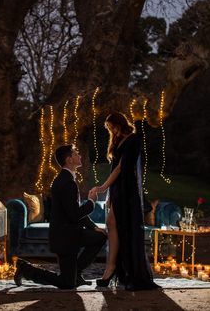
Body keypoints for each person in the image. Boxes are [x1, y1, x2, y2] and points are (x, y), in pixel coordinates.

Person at [14, 144, 107, 289]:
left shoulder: (68, 180)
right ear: (69, 160)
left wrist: (94, 227)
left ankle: (76, 273)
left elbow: (73, 212)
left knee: (100, 236)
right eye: (76, 153)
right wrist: (91, 202)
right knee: (67, 283)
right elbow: (74, 214)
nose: (80, 156)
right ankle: (26, 269)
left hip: (72, 234)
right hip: (65, 238)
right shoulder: (66, 182)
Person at [91, 112, 159, 291]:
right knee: (112, 224)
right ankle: (111, 268)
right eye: (109, 129)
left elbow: (122, 167)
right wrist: (109, 194)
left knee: (118, 226)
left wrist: (104, 187)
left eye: (112, 126)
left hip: (127, 191)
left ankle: (114, 269)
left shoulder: (133, 139)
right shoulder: (117, 140)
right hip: (117, 190)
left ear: (120, 123)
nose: (112, 130)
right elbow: (115, 167)